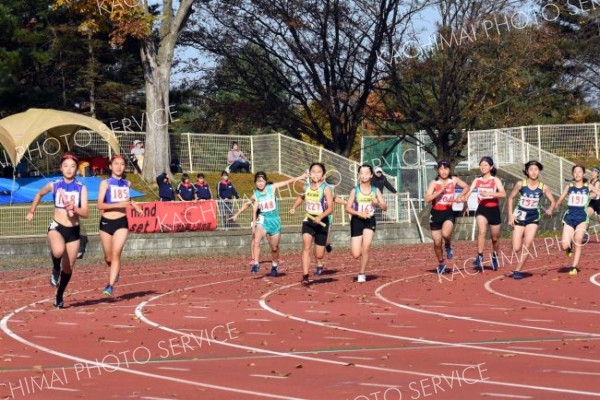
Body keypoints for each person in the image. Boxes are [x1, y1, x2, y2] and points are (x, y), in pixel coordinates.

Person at [25, 153, 89, 308]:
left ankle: (59, 295)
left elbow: (86, 213)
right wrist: (32, 211)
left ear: (77, 169)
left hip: (73, 231)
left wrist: (74, 208)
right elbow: (39, 194)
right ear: (61, 168)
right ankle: (55, 269)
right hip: (57, 227)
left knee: (68, 267)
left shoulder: (81, 188)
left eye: (72, 166)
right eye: (66, 166)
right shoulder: (54, 185)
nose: (69, 169)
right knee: (58, 251)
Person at [97, 154, 144, 296]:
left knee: (116, 254)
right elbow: (100, 204)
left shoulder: (127, 183)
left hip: (121, 222)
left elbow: (127, 199)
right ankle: (115, 270)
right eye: (116, 164)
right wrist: (119, 204)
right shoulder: (105, 183)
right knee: (109, 258)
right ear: (110, 166)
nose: (119, 166)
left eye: (122, 164)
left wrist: (135, 206)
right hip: (106, 222)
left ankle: (110, 286)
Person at [246, 171, 307, 276]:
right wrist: (254, 224)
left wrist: (300, 176)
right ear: (255, 182)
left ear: (265, 181)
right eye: (257, 181)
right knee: (257, 240)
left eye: (262, 181)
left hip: (275, 221)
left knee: (274, 248)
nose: (260, 183)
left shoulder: (272, 188)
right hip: (263, 220)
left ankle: (274, 265)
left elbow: (288, 182)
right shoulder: (255, 194)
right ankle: (256, 263)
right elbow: (252, 207)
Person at [507, 161, 556, 279]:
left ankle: (517, 270)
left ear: (539, 171)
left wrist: (550, 209)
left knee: (527, 244)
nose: (533, 172)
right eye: (531, 169)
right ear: (527, 172)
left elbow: (553, 201)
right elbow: (510, 198)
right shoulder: (520, 184)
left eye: (536, 169)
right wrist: (510, 215)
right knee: (516, 248)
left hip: (533, 218)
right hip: (519, 216)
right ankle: (515, 239)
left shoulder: (543, 187)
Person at [290, 163, 334, 285]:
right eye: (313, 172)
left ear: (323, 175)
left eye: (318, 172)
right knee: (306, 247)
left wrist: (320, 216)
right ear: (309, 174)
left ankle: (320, 260)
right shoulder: (307, 187)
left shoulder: (326, 188)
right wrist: (294, 207)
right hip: (308, 220)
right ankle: (305, 275)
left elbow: (331, 208)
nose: (315, 174)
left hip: (322, 221)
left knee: (319, 254)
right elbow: (301, 197)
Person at [424, 160, 470, 274]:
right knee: (437, 242)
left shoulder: (453, 180)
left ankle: (448, 245)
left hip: (448, 212)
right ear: (438, 170)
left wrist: (460, 196)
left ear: (449, 170)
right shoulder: (434, 183)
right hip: (435, 214)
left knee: (445, 234)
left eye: (446, 169)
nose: (444, 171)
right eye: (441, 169)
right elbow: (427, 199)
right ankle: (441, 263)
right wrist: (438, 192)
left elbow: (466, 187)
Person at [345, 165, 387, 283]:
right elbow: (347, 208)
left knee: (366, 247)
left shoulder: (375, 190)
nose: (364, 175)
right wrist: (359, 213)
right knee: (355, 254)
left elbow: (385, 207)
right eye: (361, 173)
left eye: (366, 173)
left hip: (370, 220)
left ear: (371, 175)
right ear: (359, 175)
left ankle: (362, 273)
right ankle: (357, 253)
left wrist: (377, 203)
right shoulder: (355, 190)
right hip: (357, 220)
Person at [555, 164, 600, 275]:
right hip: (570, 217)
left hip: (582, 217)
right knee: (564, 245)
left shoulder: (588, 186)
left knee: (578, 239)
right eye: (575, 172)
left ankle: (574, 267)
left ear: (583, 174)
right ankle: (568, 248)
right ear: (572, 174)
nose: (577, 174)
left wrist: (595, 195)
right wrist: (553, 207)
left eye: (579, 172)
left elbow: (598, 193)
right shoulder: (569, 186)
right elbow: (560, 200)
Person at [463, 156, 506, 271]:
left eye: (485, 165)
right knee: (481, 232)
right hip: (482, 209)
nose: (482, 167)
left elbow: (503, 194)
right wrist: (465, 202)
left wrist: (490, 194)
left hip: (494, 210)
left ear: (491, 167)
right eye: (481, 165)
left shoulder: (495, 180)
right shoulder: (477, 180)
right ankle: (479, 256)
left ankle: (495, 257)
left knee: (495, 238)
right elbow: (468, 193)